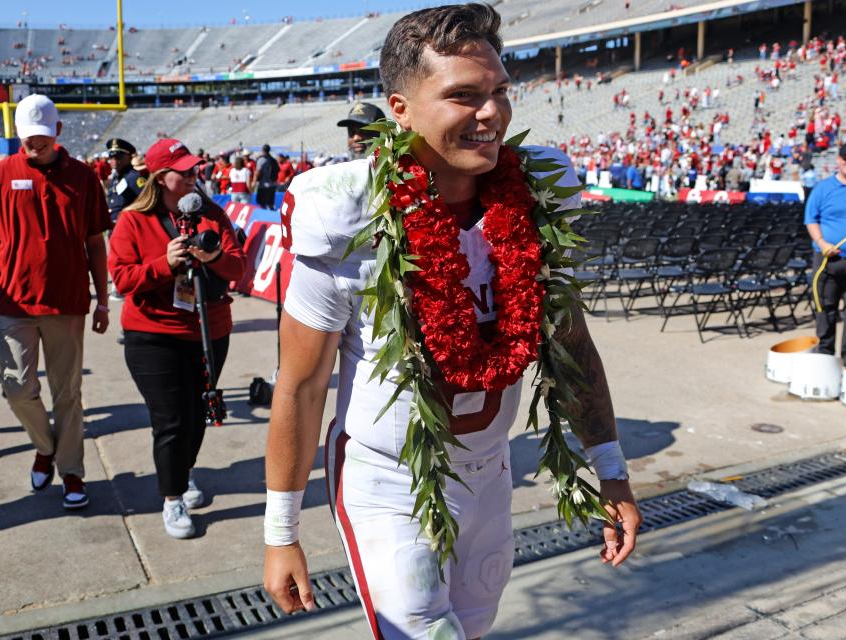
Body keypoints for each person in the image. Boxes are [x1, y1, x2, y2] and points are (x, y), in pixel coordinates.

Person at [262, 5, 641, 640]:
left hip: (491, 471)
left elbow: (571, 344)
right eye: (463, 96)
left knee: (475, 627)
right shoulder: (348, 215)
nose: (491, 114)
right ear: (400, 108)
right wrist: (282, 533)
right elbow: (300, 386)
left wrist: (611, 469)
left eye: (498, 92)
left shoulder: (535, 198)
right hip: (390, 478)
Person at [0, 94, 112, 510]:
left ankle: (72, 470)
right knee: (17, 389)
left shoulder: (83, 177)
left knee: (68, 393)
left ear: (58, 132)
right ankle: (47, 447)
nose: (35, 145)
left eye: (41, 137)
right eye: (27, 138)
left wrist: (103, 300)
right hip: (12, 303)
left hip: (68, 302)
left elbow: (96, 244)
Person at [108, 138, 247, 538]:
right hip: (153, 336)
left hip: (208, 331)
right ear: (159, 177)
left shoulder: (211, 214)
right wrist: (163, 264)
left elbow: (237, 266)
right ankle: (172, 498)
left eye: (193, 170)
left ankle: (182, 475)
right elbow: (122, 279)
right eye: (182, 171)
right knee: (171, 420)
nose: (191, 177)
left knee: (200, 412)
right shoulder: (134, 221)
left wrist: (212, 257)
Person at [804, 142, 846, 368]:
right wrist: (822, 242)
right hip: (827, 261)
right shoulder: (823, 188)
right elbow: (811, 219)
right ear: (839, 161)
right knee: (826, 310)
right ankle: (824, 359)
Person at [105, 137, 144, 226]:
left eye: (118, 157)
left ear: (129, 157)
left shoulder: (135, 177)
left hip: (131, 226)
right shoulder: (116, 177)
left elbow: (144, 204)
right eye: (111, 157)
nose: (114, 161)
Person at [252, 144, 279, 209]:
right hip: (273, 185)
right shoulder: (273, 160)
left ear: (262, 150)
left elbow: (257, 172)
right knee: (271, 204)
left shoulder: (261, 160)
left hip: (263, 186)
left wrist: (254, 182)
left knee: (262, 204)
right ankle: (271, 218)